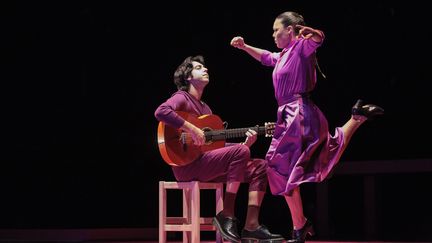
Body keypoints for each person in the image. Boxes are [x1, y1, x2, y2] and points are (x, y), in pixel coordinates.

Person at [230, 11, 384, 243]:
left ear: (289, 30)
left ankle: (300, 226)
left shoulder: (301, 47)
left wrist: (314, 33)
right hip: (287, 114)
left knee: (281, 166)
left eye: (276, 30)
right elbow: (266, 57)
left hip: (298, 113)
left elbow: (318, 40)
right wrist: (244, 47)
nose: (273, 34)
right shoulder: (283, 55)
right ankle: (300, 226)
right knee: (283, 170)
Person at [154, 55, 284, 243]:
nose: (205, 69)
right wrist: (191, 128)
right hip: (186, 166)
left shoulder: (206, 109)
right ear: (188, 77)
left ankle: (251, 226)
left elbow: (215, 148)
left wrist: (243, 146)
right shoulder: (181, 98)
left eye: (204, 67)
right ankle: (227, 214)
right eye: (199, 67)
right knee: (241, 154)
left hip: (205, 164)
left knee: (261, 167)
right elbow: (161, 112)